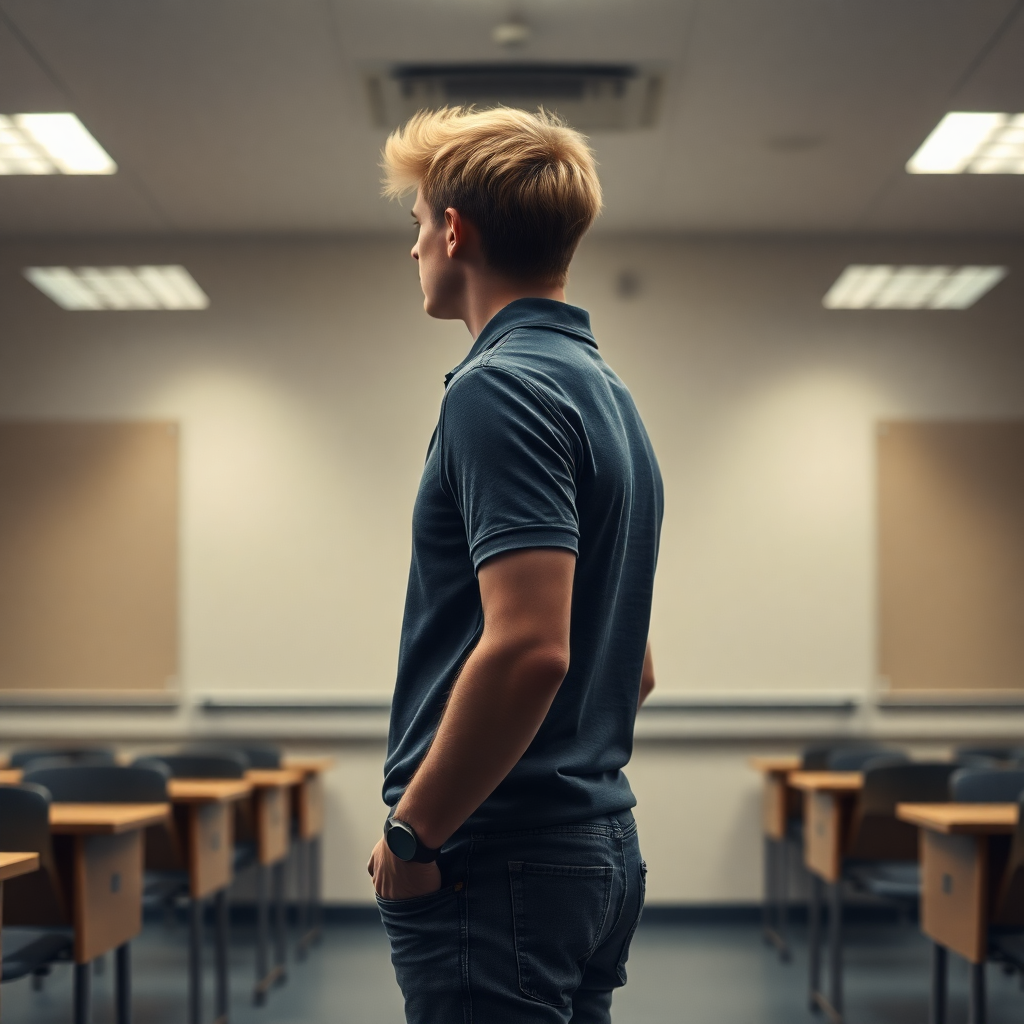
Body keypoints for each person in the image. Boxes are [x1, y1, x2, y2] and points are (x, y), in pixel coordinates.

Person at [367, 105, 664, 1024]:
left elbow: (533, 649)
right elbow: (635, 666)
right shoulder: (607, 393)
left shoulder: (498, 389)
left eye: (417, 226)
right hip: (592, 843)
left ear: (455, 230)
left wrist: (414, 834)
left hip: (498, 860)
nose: (413, 249)